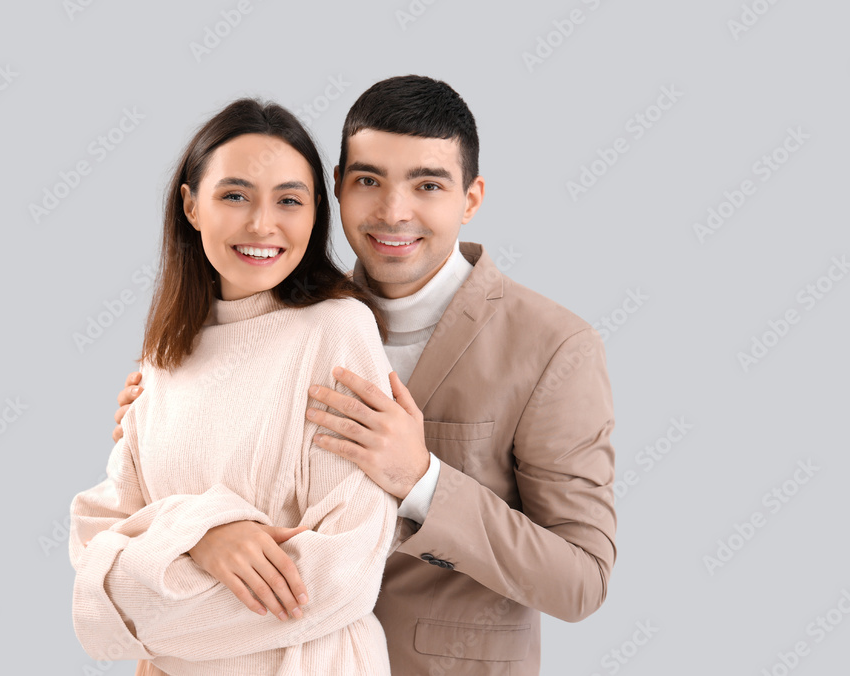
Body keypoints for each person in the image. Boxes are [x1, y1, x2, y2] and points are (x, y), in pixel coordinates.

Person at [112, 76, 617, 676]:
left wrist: (422, 480)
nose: (393, 212)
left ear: (471, 197)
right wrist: (174, 434)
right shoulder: (290, 319)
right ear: (336, 190)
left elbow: (582, 580)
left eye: (428, 185)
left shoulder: (555, 346)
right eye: (368, 181)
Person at [69, 98, 404, 675]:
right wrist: (201, 531)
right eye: (234, 195)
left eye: (289, 201)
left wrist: (139, 609)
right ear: (191, 205)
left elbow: (340, 577)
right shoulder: (163, 356)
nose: (262, 224)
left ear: (315, 213)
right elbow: (94, 540)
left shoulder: (337, 330)